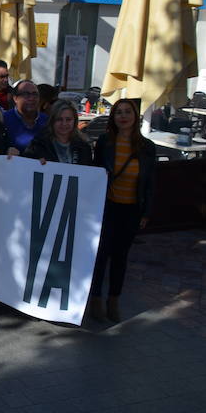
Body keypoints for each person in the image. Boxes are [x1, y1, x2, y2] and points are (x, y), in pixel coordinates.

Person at [90, 98, 157, 323]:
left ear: (135, 117)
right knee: (101, 255)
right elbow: (96, 174)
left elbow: (149, 183)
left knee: (120, 257)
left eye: (128, 112)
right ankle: (96, 299)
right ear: (113, 117)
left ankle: (114, 300)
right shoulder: (104, 142)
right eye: (119, 112)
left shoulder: (146, 147)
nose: (123, 116)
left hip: (131, 210)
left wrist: (146, 212)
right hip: (107, 207)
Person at [24, 100, 93, 166]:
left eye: (68, 119)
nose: (64, 123)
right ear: (52, 121)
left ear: (74, 121)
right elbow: (25, 167)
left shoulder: (84, 147)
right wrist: (34, 164)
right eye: (59, 119)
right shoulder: (38, 144)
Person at [3, 79, 48, 153]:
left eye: (35, 94)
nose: (31, 98)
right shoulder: (4, 120)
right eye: (26, 94)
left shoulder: (47, 121)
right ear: (15, 98)